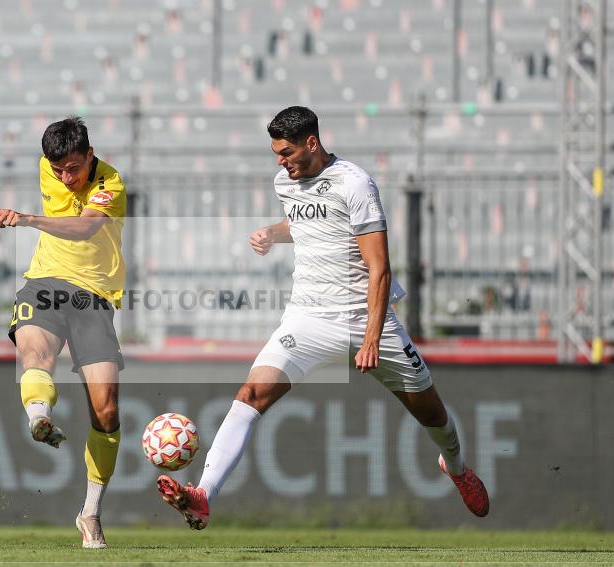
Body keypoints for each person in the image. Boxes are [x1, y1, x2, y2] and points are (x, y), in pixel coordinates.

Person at [156, 106, 489, 529]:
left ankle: (457, 468)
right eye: (276, 153)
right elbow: (305, 221)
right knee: (251, 394)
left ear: (311, 143)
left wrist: (370, 338)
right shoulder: (286, 182)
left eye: (286, 152)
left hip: (369, 320)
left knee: (431, 413)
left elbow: (380, 268)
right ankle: (203, 495)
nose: (280, 161)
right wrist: (271, 234)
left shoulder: (355, 184)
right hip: (308, 318)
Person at [0, 116, 126, 549]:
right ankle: (39, 418)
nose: (66, 178)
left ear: (90, 154)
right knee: (36, 356)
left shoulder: (111, 183)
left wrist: (28, 219)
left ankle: (90, 514)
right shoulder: (47, 166)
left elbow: (86, 226)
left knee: (105, 412)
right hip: (45, 282)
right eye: (58, 170)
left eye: (74, 168)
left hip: (93, 297)